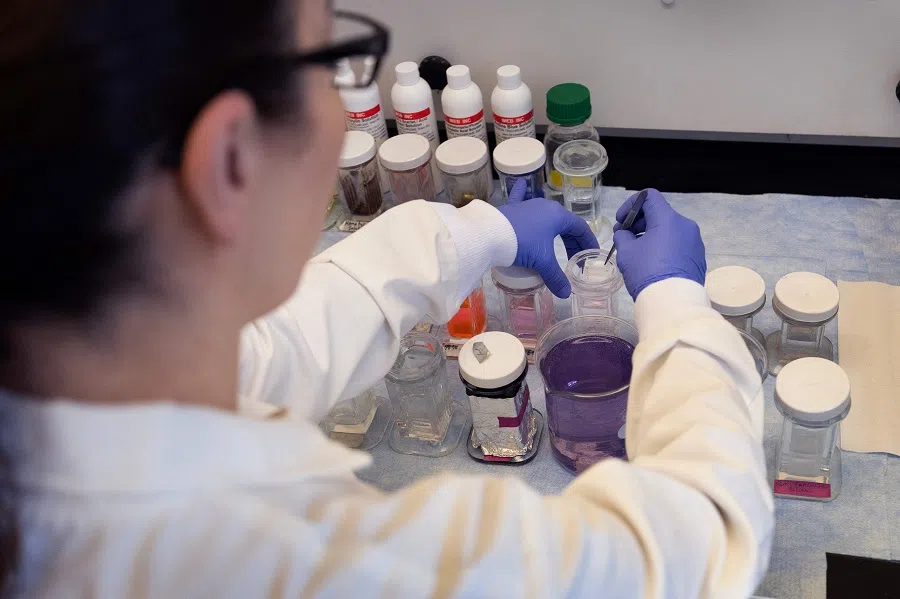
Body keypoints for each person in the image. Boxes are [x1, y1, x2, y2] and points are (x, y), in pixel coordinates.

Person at [0, 0, 773, 597]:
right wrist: (678, 304)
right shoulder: (321, 565)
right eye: (331, 63)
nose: (342, 109)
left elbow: (279, 348)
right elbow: (701, 545)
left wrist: (481, 233)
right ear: (231, 159)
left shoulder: (85, 399)